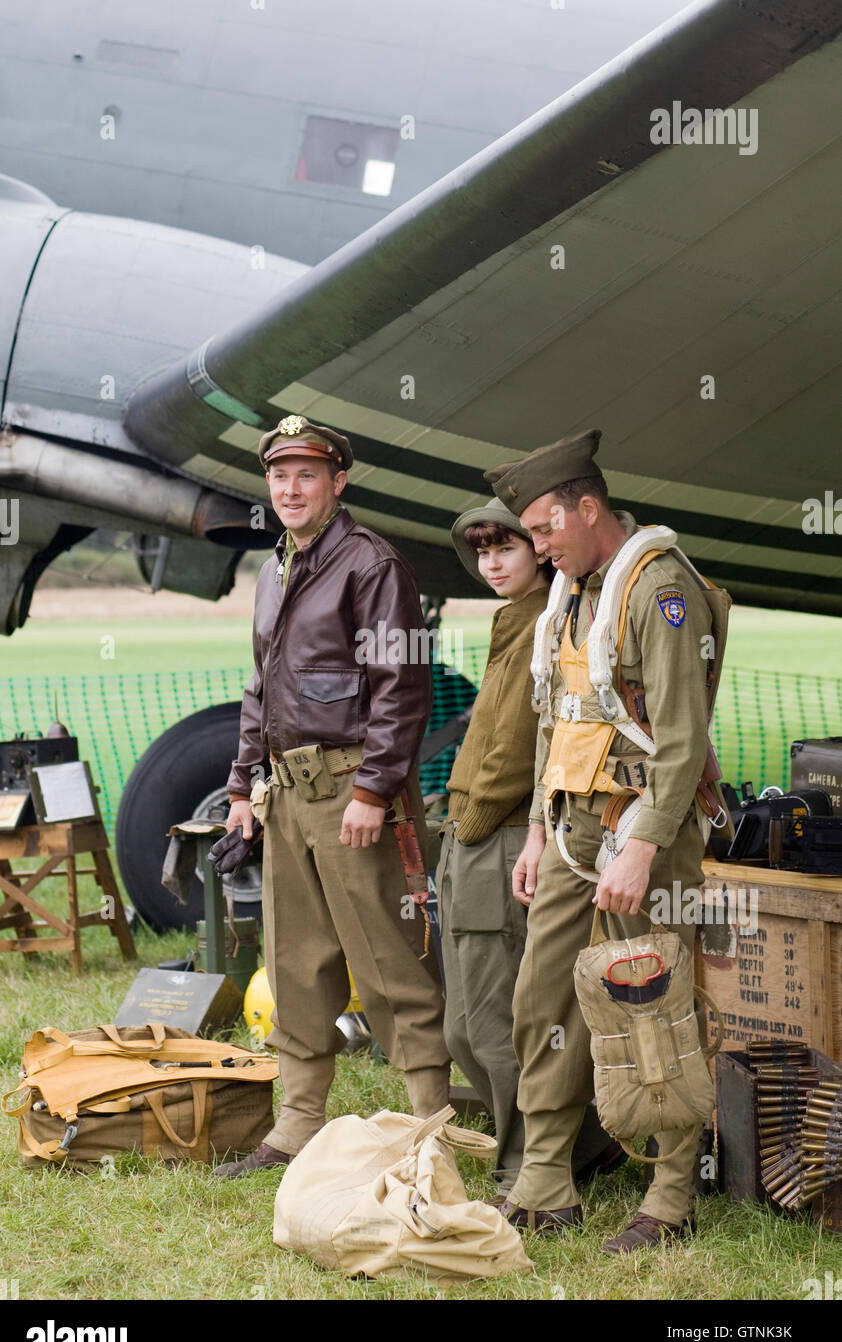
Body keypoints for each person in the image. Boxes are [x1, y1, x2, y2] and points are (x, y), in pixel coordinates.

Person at [483, 427, 727, 1251]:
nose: (537, 546)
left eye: (546, 528)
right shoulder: (575, 594)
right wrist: (532, 835)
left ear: (589, 509)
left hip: (639, 831)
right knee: (541, 1000)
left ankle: (669, 1196)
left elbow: (684, 738)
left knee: (650, 1001)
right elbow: (559, 724)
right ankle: (546, 1180)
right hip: (568, 827)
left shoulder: (660, 589)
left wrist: (644, 846)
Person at [214, 414, 450, 1177]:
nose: (289, 488)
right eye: (279, 475)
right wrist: (242, 787)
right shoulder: (276, 567)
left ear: (337, 481)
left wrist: (376, 791)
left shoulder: (371, 563)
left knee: (387, 961)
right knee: (295, 962)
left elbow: (401, 689)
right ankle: (297, 1124)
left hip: (352, 792)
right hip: (285, 795)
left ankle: (433, 1129)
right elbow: (262, 687)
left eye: (306, 474)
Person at [439, 499, 623, 1198]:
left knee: (498, 1023)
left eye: (505, 548)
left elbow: (520, 744)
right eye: (480, 550)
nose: (490, 562)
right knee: (463, 1027)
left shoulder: (547, 625)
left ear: (539, 551)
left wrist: (478, 816)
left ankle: (535, 1166)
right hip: (471, 830)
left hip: (503, 831)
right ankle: (582, 1145)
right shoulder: (517, 620)